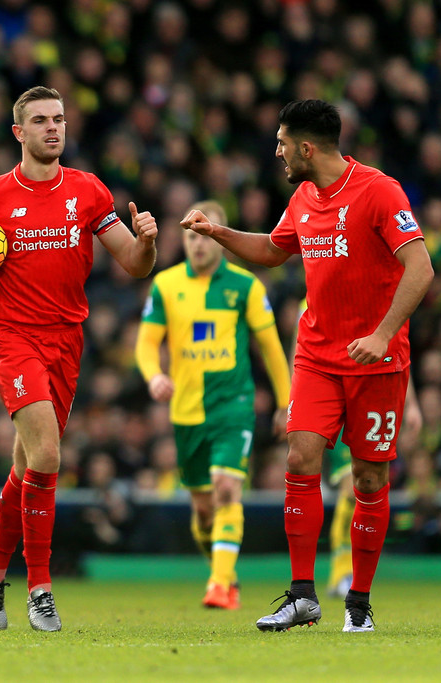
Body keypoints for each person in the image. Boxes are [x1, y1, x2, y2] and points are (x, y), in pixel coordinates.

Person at [182, 99, 433, 633]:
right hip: (317, 355)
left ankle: (358, 604)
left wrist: (382, 334)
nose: (277, 152)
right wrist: (218, 233)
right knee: (299, 458)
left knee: (369, 476)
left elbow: (421, 267)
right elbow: (274, 251)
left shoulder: (380, 191)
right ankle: (302, 596)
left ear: (306, 147)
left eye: (281, 143)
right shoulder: (302, 198)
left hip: (376, 361)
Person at [0, 86, 158, 631]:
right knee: (50, 456)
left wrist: (148, 242)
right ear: (19, 132)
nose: (53, 128)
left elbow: (133, 263)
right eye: (40, 120)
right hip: (11, 338)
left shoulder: (88, 190)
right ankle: (40, 590)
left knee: (27, 465)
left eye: (58, 119)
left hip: (66, 341)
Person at [135, 200, 290, 610]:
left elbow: (271, 346)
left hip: (232, 404)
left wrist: (285, 401)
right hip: (187, 410)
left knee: (226, 487)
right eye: (190, 236)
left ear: (219, 239)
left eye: (204, 235)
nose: (198, 244)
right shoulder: (166, 285)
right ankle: (224, 571)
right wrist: (154, 376)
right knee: (204, 511)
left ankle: (219, 585)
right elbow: (146, 343)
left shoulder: (245, 287)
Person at [290, 299, 424, 600]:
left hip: (369, 388)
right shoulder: (310, 303)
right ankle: (340, 572)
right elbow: (297, 351)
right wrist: (292, 396)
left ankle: (351, 575)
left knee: (365, 482)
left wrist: (411, 402)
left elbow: (397, 349)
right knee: (348, 486)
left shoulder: (379, 297)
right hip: (327, 390)